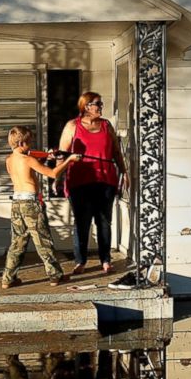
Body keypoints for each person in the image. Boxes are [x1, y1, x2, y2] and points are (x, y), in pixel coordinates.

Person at [1, 126, 79, 288]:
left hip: (16, 203)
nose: (31, 145)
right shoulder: (28, 159)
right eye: (29, 142)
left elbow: (28, 166)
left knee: (17, 242)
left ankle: (8, 278)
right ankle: (55, 275)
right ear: (22, 142)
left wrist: (46, 156)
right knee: (43, 240)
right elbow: (52, 174)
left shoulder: (9, 160)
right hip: (31, 204)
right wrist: (69, 160)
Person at [57, 91, 125, 275]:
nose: (101, 107)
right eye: (98, 104)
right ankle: (81, 261)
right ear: (86, 106)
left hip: (105, 179)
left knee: (104, 222)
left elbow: (117, 152)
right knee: (82, 222)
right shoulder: (73, 126)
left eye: (101, 104)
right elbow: (61, 155)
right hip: (79, 182)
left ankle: (105, 260)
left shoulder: (106, 125)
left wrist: (124, 171)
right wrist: (57, 177)